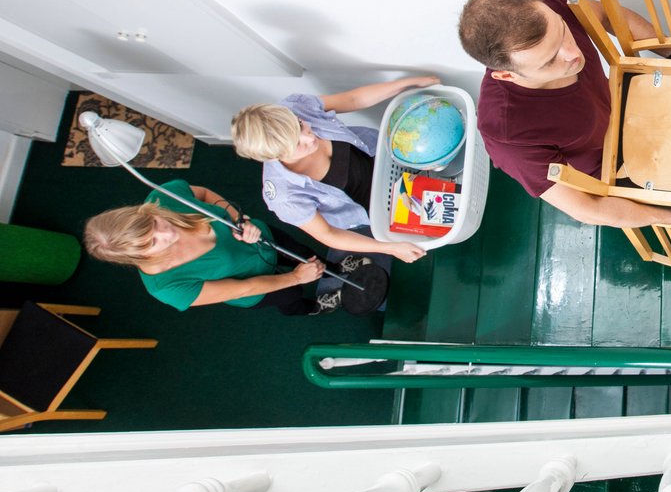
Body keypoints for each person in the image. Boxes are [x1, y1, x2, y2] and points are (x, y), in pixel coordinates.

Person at [457, 0, 671, 227]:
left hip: (629, 103)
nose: (572, 54)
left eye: (562, 32)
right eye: (549, 61)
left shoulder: (547, 0)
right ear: (507, 76)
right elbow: (586, 208)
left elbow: (608, 16)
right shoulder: (506, 134)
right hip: (618, 166)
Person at [231, 76, 440, 261]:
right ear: (275, 156)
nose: (309, 136)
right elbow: (328, 234)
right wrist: (391, 248)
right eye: (297, 144)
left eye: (301, 125)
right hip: (381, 206)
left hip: (387, 157)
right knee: (438, 221)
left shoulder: (294, 107)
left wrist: (409, 83)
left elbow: (352, 100)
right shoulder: (284, 196)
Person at [83, 179, 336, 315]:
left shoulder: (163, 199)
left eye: (154, 223)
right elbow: (243, 288)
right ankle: (311, 308)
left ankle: (336, 268)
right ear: (137, 256)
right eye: (152, 242)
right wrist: (294, 278)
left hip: (263, 238)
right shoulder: (167, 288)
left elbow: (202, 193)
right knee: (291, 296)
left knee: (304, 253)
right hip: (254, 286)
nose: (166, 231)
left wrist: (238, 219)